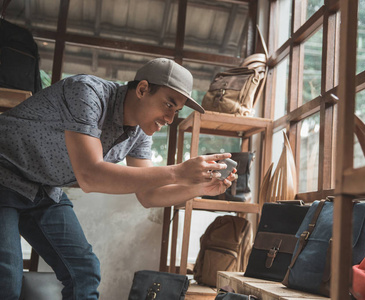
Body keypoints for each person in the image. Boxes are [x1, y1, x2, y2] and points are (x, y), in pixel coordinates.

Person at [0, 58, 236, 299]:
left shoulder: (139, 133)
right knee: (6, 277)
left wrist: (199, 187)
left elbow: (148, 195)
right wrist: (179, 172)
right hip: (4, 173)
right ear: (143, 89)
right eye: (168, 104)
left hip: (43, 187)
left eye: (176, 111)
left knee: (84, 272)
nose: (169, 119)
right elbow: (90, 175)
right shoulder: (87, 92)